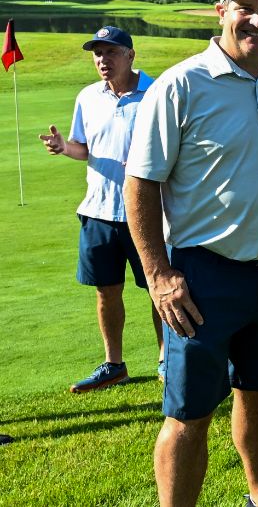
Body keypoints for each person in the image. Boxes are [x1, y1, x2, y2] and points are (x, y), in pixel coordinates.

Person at [124, 0, 258, 507]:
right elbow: (141, 183)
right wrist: (158, 275)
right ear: (221, 11)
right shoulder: (182, 84)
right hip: (204, 276)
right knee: (189, 412)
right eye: (245, 8)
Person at [40, 26, 163, 392]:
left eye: (111, 52)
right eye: (97, 53)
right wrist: (64, 147)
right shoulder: (88, 97)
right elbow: (84, 148)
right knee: (106, 290)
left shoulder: (157, 93)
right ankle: (114, 365)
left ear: (130, 55)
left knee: (158, 287)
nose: (102, 60)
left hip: (147, 212)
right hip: (98, 211)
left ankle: (167, 360)